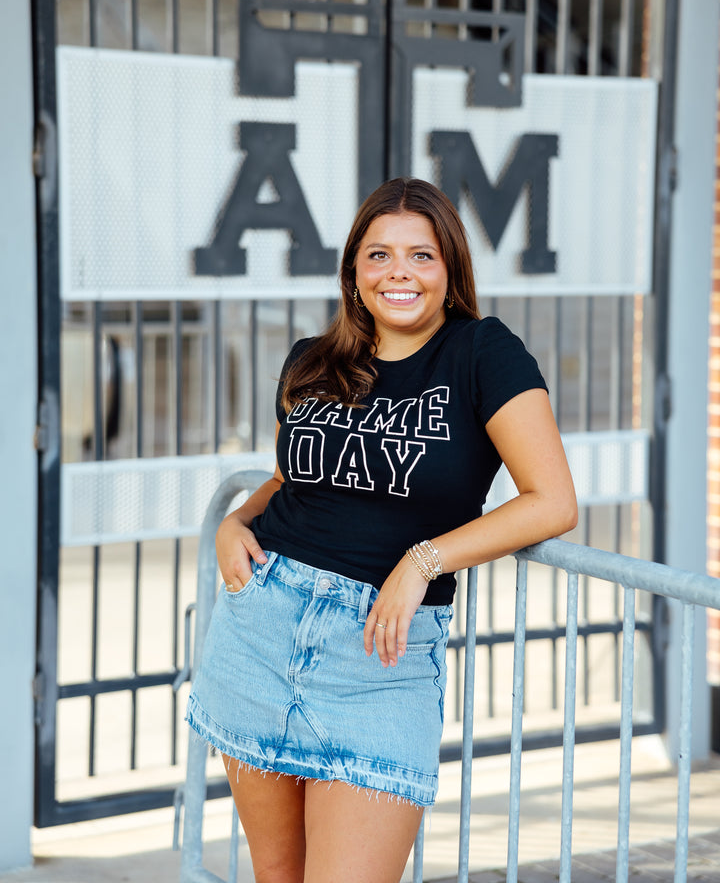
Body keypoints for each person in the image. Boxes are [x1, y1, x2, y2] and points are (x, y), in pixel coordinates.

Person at [186, 177, 577, 883]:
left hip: (379, 659)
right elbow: (296, 479)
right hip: (261, 631)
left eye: (421, 256)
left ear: (450, 270)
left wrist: (422, 560)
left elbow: (551, 501)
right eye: (379, 255)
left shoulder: (484, 354)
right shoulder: (311, 359)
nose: (399, 272)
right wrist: (237, 521)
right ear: (354, 272)